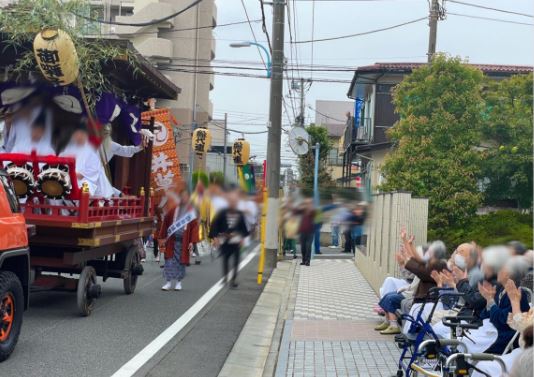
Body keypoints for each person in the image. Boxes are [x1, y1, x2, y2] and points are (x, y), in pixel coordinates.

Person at [478, 254, 530, 354]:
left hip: (504, 338)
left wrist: (492, 303)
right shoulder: (499, 289)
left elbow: (501, 320)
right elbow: (484, 316)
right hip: (491, 332)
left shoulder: (517, 294)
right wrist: (488, 300)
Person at [158, 188, 198, 291]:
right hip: (172, 241)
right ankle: (168, 282)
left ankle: (178, 283)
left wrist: (191, 242)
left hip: (183, 242)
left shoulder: (190, 213)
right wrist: (162, 237)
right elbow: (166, 222)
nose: (184, 198)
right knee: (169, 262)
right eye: (182, 196)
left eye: (186, 196)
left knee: (181, 263)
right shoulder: (174, 210)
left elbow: (194, 227)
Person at [209, 186, 249, 288]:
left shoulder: (240, 214)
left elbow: (244, 229)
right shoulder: (222, 213)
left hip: (236, 241)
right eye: (231, 201)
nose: (233, 203)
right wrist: (215, 237)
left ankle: (233, 279)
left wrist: (242, 237)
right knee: (225, 260)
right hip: (225, 240)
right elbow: (214, 225)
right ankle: (226, 277)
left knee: (236, 261)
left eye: (234, 202)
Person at [295, 199, 315, 266]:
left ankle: (307, 261)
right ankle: (303, 260)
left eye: (309, 203)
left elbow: (318, 220)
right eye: (306, 203)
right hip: (302, 232)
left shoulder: (314, 211)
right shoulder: (302, 211)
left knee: (308, 246)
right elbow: (295, 212)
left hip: (310, 232)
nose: (307, 205)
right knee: (303, 247)